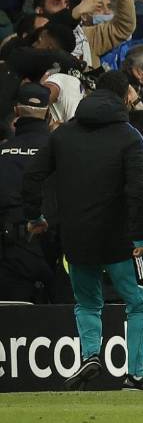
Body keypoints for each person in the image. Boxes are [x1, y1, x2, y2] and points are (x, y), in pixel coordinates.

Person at [22, 71, 143, 391]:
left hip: (77, 237)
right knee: (138, 303)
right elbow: (139, 188)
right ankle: (135, 374)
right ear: (124, 98)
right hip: (121, 239)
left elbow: (32, 177)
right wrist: (138, 234)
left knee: (87, 303)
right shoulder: (129, 136)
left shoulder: (63, 135)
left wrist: (36, 216)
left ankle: (91, 356)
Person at [0, 83, 54, 302]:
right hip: (54, 255)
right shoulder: (62, 153)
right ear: (48, 114)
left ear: (16, 111)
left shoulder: (2, 153)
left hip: (8, 258)